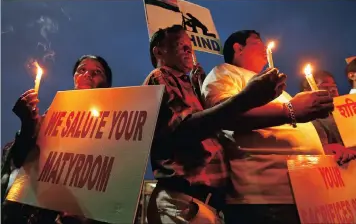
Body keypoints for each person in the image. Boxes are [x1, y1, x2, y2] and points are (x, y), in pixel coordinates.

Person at [201, 30, 355, 224]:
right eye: (257, 41)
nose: (265, 47)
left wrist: (324, 151)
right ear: (238, 48)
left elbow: (287, 130)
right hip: (268, 198)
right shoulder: (224, 73)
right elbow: (225, 115)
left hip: (307, 194)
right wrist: (290, 110)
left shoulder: (273, 87)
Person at [143, 25, 287, 224]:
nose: (189, 51)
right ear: (158, 51)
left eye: (190, 47)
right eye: (180, 45)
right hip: (185, 202)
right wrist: (246, 99)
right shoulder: (162, 76)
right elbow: (185, 130)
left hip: (205, 203)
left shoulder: (191, 84)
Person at [1, 54, 112, 224]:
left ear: (107, 86)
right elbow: (20, 160)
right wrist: (27, 127)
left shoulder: (114, 126)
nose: (87, 74)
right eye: (81, 69)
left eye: (97, 72)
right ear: (75, 78)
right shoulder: (53, 117)